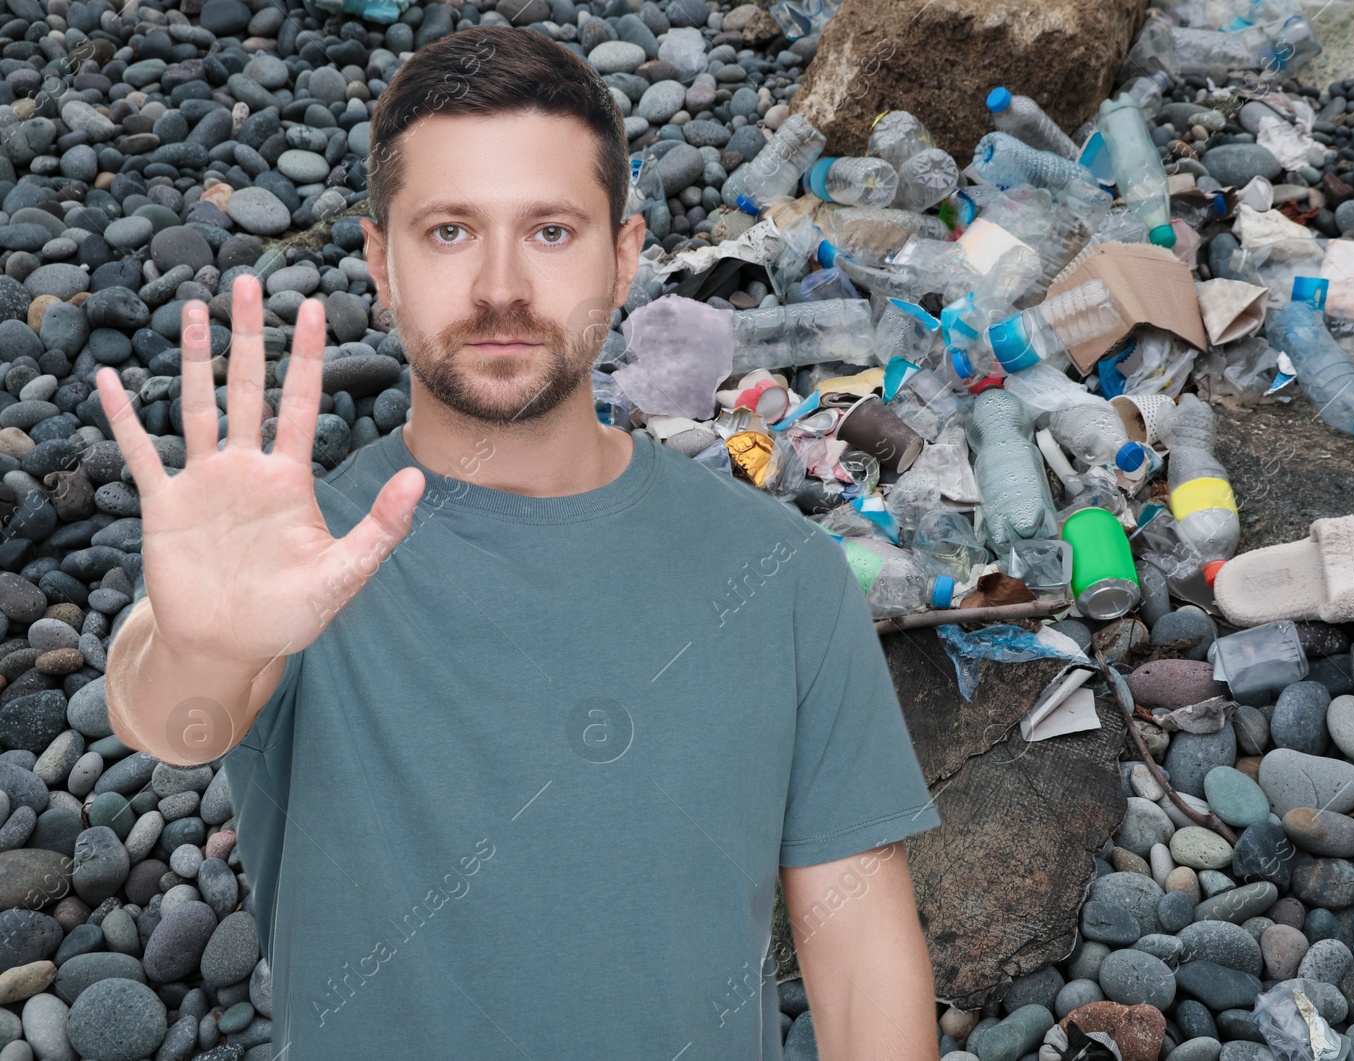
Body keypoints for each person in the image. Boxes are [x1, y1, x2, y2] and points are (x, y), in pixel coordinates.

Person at [99, 24, 942, 1061]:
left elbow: (861, 964)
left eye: (549, 231)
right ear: (382, 262)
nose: (501, 286)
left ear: (623, 256)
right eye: (450, 231)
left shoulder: (784, 577)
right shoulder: (304, 559)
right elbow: (173, 715)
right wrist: (200, 642)